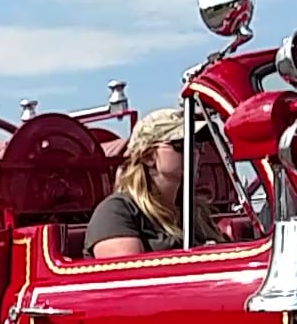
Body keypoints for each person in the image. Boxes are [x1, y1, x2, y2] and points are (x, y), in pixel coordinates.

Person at [83, 106, 221, 258]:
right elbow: (129, 276)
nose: (194, 151)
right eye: (181, 145)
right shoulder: (116, 212)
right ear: (148, 157)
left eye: (197, 144)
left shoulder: (195, 212)